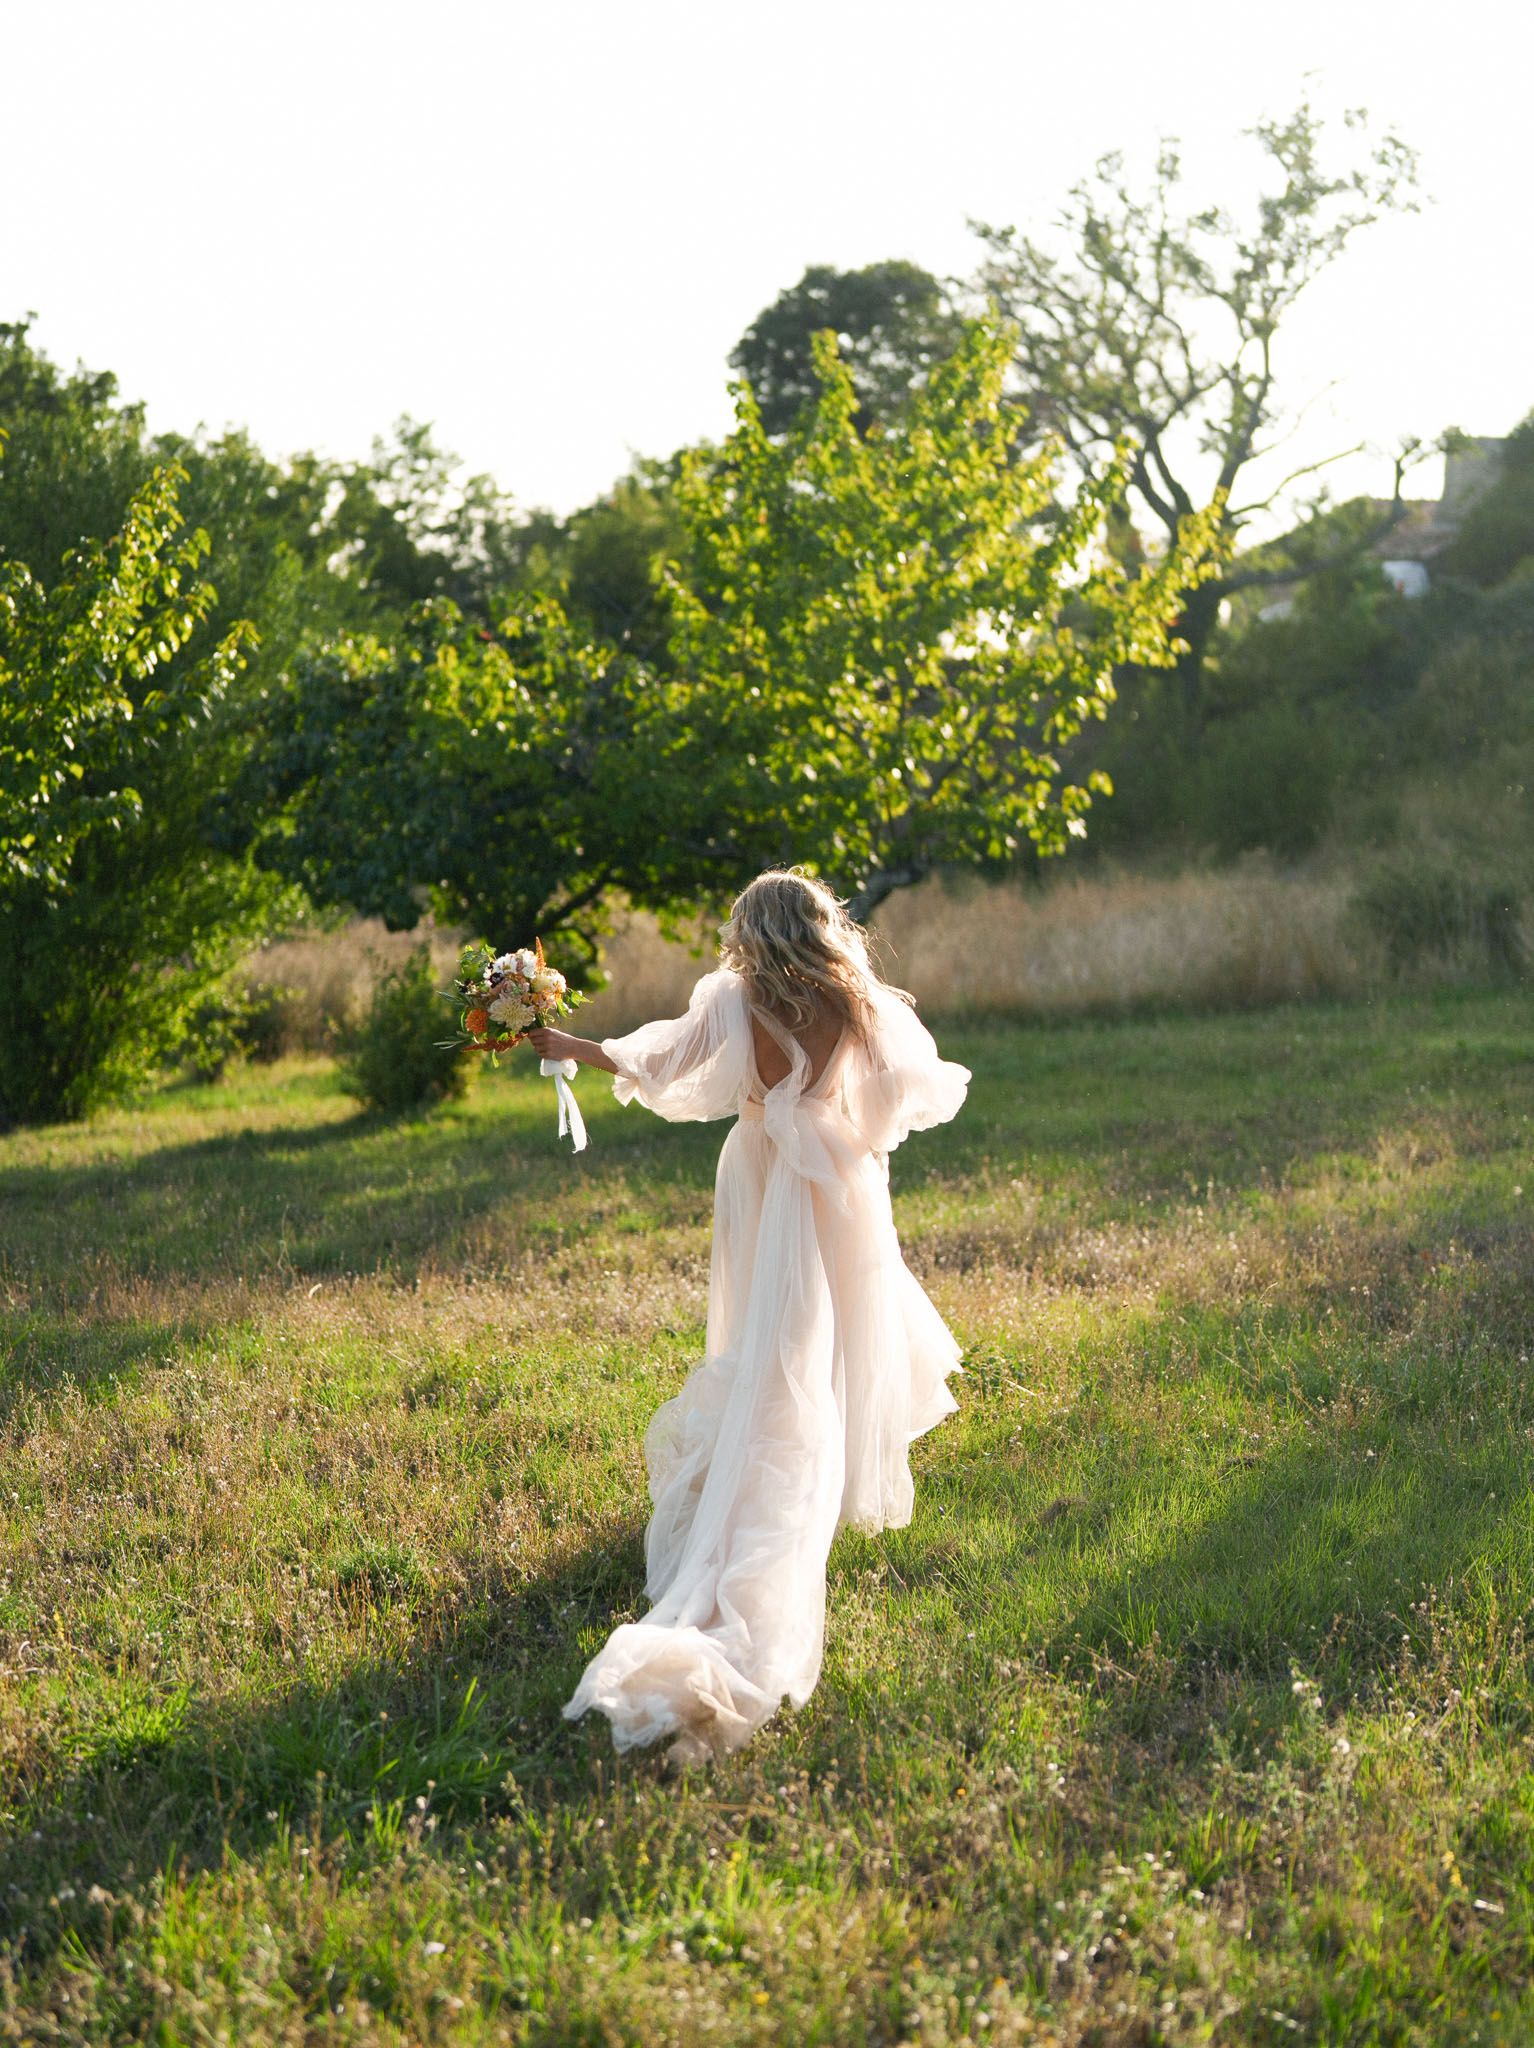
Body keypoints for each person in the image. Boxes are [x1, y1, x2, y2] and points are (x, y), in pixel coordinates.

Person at [526, 869, 970, 1765]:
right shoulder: (861, 1001)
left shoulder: (734, 999)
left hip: (765, 1168)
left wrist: (561, 1041)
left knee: (772, 1333)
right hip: (840, 1180)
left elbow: (658, 1059)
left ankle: (773, 1470)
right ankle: (824, 1469)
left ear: (749, 933)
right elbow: (892, 1106)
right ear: (819, 924)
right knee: (832, 1328)